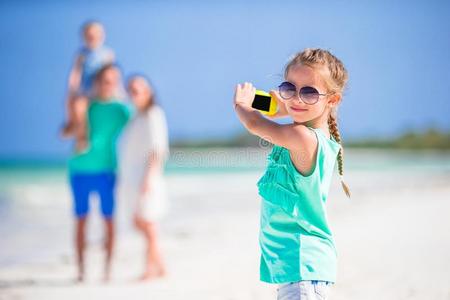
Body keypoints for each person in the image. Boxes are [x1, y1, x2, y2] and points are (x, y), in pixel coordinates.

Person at [233, 48, 351, 300]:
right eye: (289, 88)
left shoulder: (302, 137)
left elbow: (256, 124)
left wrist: (241, 104)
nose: (297, 99)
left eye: (308, 92)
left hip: (303, 266)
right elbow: (277, 108)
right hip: (300, 267)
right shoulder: (307, 126)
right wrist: (263, 99)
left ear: (332, 100)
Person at [68, 64, 132, 282]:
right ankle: (80, 270)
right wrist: (76, 130)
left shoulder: (122, 110)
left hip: (106, 171)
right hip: (79, 170)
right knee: (81, 221)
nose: (109, 84)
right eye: (105, 80)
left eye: (114, 80)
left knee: (109, 221)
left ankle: (107, 270)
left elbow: (140, 129)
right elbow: (64, 130)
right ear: (96, 82)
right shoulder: (85, 106)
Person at [118, 75, 170, 280]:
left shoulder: (153, 114)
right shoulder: (135, 116)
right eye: (130, 90)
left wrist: (149, 178)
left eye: (137, 90)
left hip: (147, 178)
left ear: (148, 92)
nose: (133, 94)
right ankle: (160, 267)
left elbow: (157, 149)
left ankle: (152, 269)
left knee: (147, 224)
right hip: (133, 178)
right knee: (139, 222)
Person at [61, 21, 115, 152]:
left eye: (95, 35)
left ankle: (82, 137)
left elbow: (111, 73)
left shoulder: (107, 53)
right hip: (85, 89)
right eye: (89, 36)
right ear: (84, 37)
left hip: (98, 89)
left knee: (79, 106)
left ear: (102, 36)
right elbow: (76, 72)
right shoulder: (81, 54)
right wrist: (72, 87)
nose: (92, 38)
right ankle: (71, 123)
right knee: (69, 100)